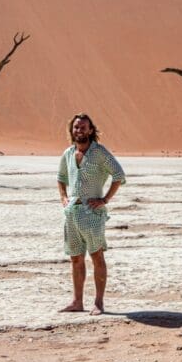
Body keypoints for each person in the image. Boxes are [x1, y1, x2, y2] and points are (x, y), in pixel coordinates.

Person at [57, 113, 126, 316]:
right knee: (76, 258)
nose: (79, 130)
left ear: (90, 130)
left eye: (83, 127)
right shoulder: (68, 154)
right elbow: (61, 178)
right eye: (76, 127)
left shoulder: (99, 153)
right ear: (72, 130)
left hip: (93, 215)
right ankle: (77, 301)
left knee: (97, 256)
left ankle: (99, 303)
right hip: (72, 214)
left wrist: (104, 200)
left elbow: (119, 176)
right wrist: (63, 198)